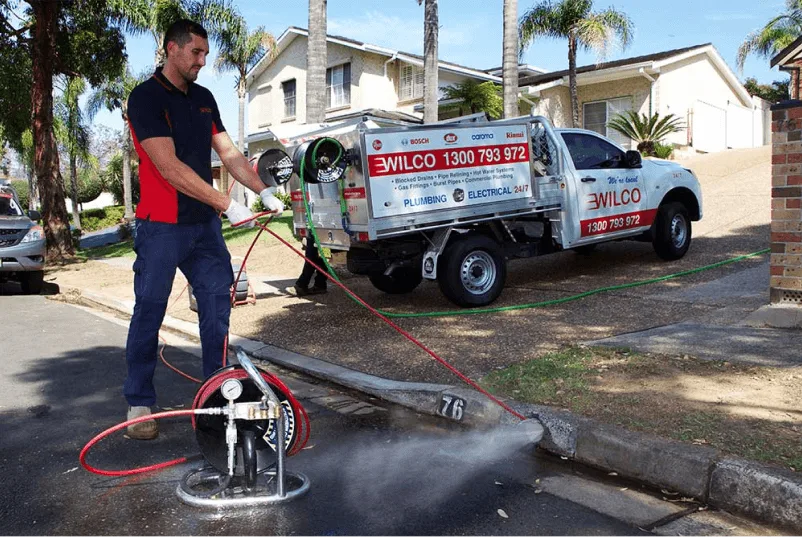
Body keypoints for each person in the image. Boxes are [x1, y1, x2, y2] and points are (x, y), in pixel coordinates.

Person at [123, 19, 285, 440]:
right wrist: (227, 204)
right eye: (196, 52)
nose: (202, 61)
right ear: (171, 50)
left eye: (205, 54)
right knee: (149, 310)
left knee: (217, 308)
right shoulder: (145, 98)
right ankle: (138, 402)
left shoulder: (204, 98)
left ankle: (218, 395)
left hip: (202, 230)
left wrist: (263, 191)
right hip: (160, 228)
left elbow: (229, 154)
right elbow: (169, 167)